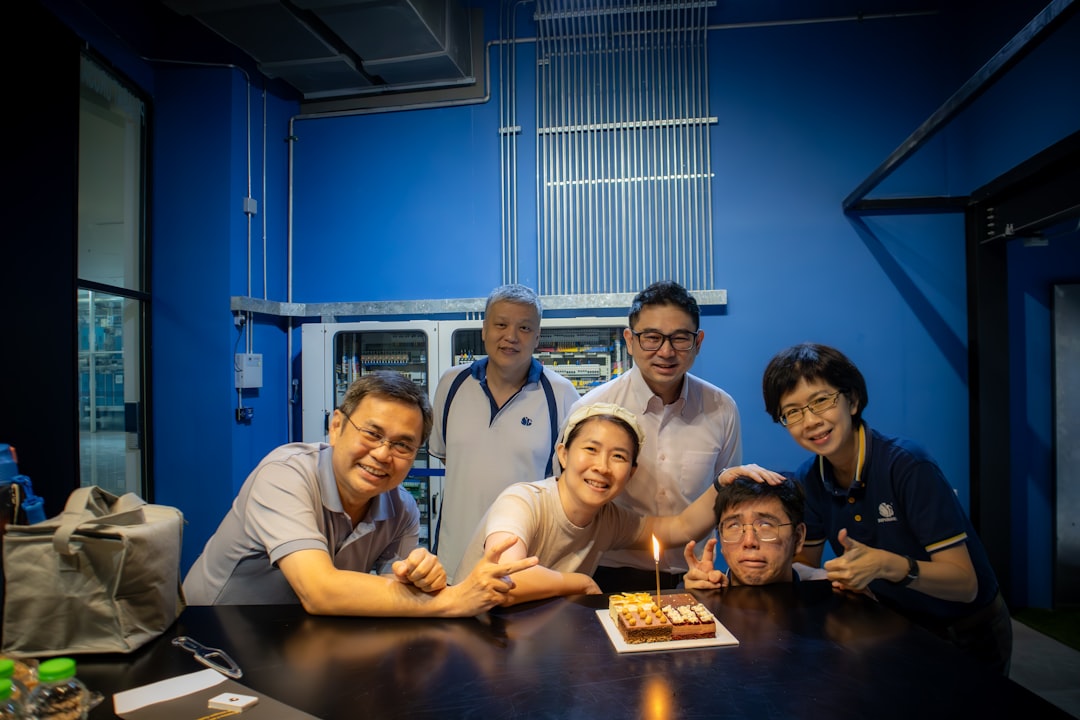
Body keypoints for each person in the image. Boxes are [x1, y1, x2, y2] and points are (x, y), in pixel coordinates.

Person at [183, 371, 537, 617]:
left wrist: (422, 577)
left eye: (403, 445)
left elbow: (395, 589)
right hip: (209, 634)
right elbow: (319, 590)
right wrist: (452, 600)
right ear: (335, 427)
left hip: (296, 636)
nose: (383, 454)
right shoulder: (285, 474)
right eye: (372, 433)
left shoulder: (402, 510)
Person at [756, 342, 1011, 674]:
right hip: (894, 624)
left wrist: (885, 565)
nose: (811, 421)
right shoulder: (811, 478)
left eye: (821, 401)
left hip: (967, 630)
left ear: (853, 400)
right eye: (793, 412)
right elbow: (806, 566)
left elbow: (965, 584)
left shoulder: (906, 465)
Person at [456, 402, 783, 605]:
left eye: (618, 456)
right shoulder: (523, 500)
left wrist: (720, 483)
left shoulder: (609, 519)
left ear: (631, 472)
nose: (602, 466)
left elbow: (679, 527)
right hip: (472, 633)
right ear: (564, 454)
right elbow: (505, 576)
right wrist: (579, 582)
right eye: (591, 450)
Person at [563, 280, 743, 590]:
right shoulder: (591, 409)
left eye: (680, 338)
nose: (666, 351)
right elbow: (569, 498)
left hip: (695, 576)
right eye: (652, 338)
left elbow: (726, 497)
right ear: (630, 341)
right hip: (609, 574)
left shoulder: (721, 409)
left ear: (698, 342)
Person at [430, 284, 580, 582]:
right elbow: (451, 459)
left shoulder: (561, 395)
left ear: (537, 337)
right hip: (452, 561)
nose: (511, 336)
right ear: (484, 329)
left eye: (524, 328)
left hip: (525, 566)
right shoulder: (451, 384)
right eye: (500, 324)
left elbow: (567, 483)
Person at [682, 475, 827, 588]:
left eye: (765, 525)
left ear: (798, 538)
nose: (749, 541)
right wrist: (697, 601)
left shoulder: (827, 600)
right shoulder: (697, 596)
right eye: (734, 526)